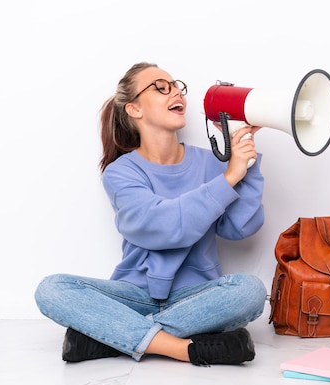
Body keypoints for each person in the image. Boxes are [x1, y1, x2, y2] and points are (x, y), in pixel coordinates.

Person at [34, 62, 267, 366]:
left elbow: (240, 227)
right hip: (134, 296)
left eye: (177, 86)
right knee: (51, 289)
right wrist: (227, 179)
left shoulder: (213, 163)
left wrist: (245, 164)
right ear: (134, 110)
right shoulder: (120, 173)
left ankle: (109, 337)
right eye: (161, 87)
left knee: (250, 291)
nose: (176, 92)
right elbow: (164, 226)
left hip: (195, 296)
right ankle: (184, 348)